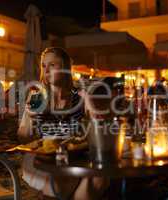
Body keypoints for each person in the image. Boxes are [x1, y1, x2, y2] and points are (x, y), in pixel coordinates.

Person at [17, 47, 108, 199]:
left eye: (52, 65)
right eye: (43, 65)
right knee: (61, 183)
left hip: (72, 158)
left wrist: (89, 102)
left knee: (99, 177)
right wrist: (30, 116)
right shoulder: (37, 97)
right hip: (40, 159)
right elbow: (23, 139)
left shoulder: (80, 97)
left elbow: (103, 130)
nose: (46, 69)